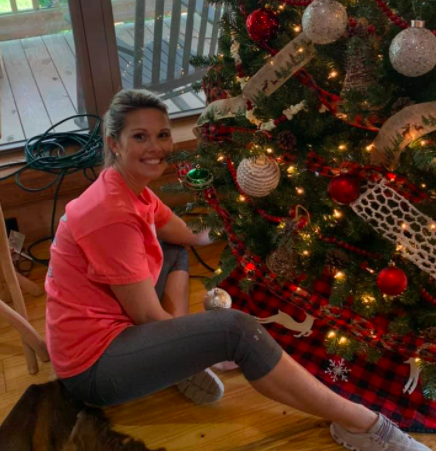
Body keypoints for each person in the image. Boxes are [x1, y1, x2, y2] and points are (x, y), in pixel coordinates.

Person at [45, 89, 430, 451]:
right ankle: (362, 424)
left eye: (162, 135)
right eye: (140, 137)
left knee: (173, 249)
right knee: (236, 330)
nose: (156, 147)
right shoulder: (111, 214)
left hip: (112, 332)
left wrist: (246, 212)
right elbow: (145, 315)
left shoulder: (131, 190)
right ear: (114, 143)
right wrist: (190, 341)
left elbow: (192, 235)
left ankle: (176, 362)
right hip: (93, 368)